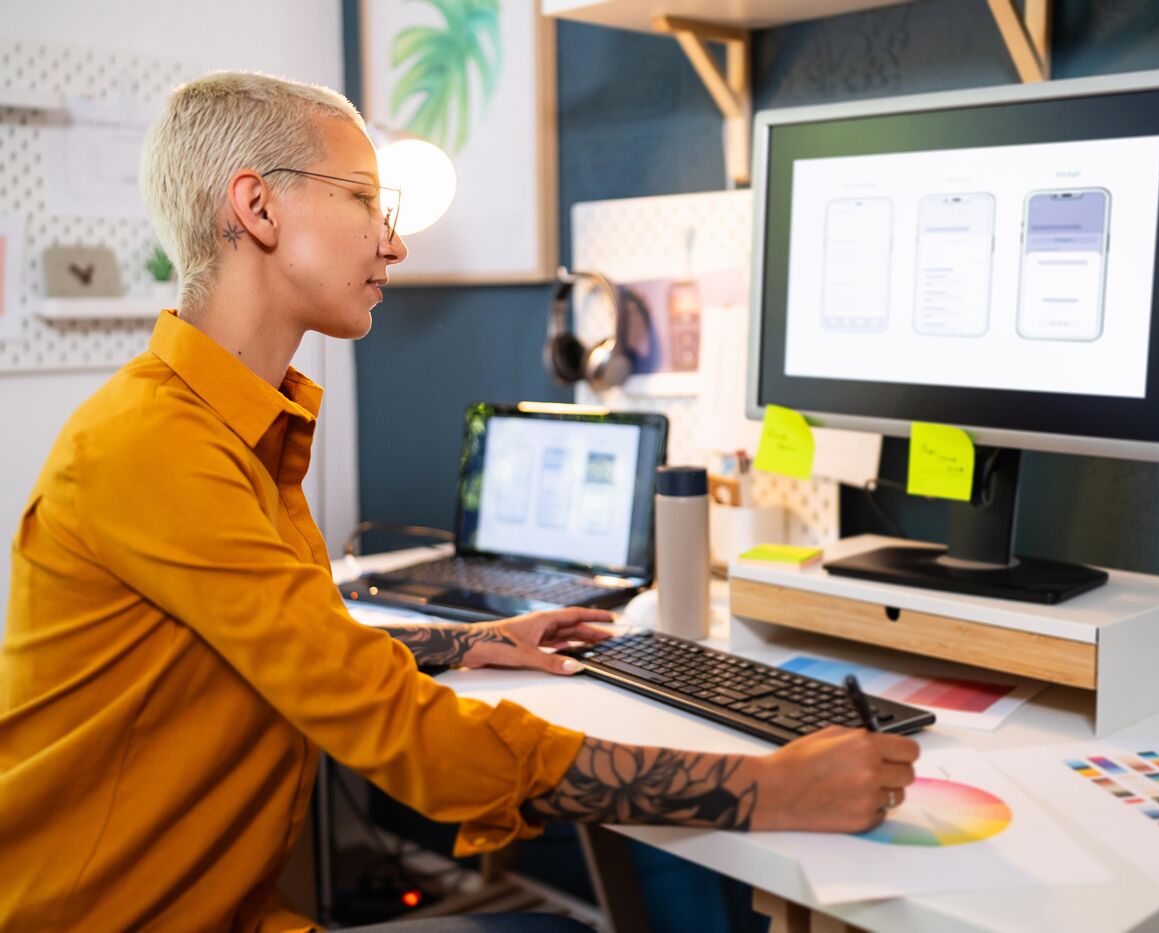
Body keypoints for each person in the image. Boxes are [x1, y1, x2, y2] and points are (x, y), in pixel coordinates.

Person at [0, 72, 919, 931]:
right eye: (364, 198)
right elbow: (398, 728)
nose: (392, 240)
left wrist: (467, 640)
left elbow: (293, 647)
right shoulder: (155, 444)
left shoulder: (223, 425)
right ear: (258, 206)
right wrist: (767, 788)